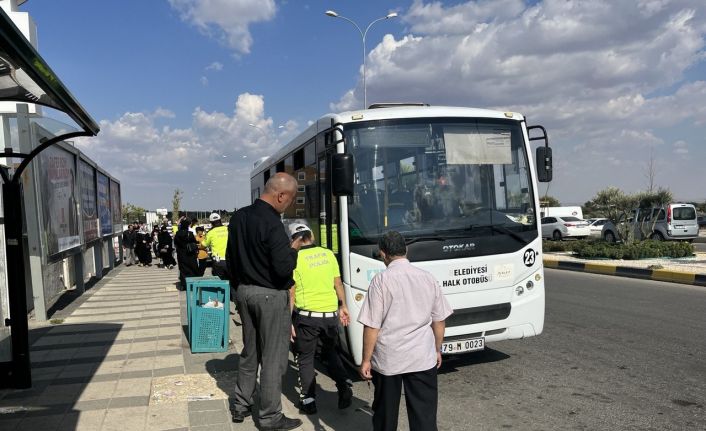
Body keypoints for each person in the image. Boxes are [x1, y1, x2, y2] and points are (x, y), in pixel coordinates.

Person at [226, 172, 304, 431]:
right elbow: (283, 270)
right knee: (273, 358)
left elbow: (231, 258)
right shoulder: (273, 223)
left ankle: (240, 405)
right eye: (289, 200)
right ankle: (271, 417)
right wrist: (293, 251)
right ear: (280, 195)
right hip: (270, 296)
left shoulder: (239, 217)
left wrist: (239, 289)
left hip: (245, 292)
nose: (288, 206)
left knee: (251, 352)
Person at [358, 230, 453, 431]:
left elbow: (372, 325)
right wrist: (437, 349)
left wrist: (366, 360)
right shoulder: (427, 278)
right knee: (424, 416)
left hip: (388, 360)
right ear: (406, 250)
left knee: (385, 415)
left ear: (383, 254)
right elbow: (439, 320)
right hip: (422, 357)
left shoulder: (381, 281)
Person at [288, 223, 352, 415]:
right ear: (312, 236)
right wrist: (343, 306)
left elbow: (291, 293)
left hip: (307, 318)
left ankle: (308, 401)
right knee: (330, 352)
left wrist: (288, 320)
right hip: (330, 315)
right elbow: (338, 282)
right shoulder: (328, 254)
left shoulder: (295, 259)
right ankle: (343, 385)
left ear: (294, 240)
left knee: (305, 358)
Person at [174, 217, 199, 289]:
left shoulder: (178, 234)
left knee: (183, 269)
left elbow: (176, 243)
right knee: (192, 268)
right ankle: (192, 284)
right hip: (190, 254)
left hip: (181, 254)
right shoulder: (190, 234)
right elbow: (194, 242)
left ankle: (184, 285)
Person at [203, 212, 229, 279]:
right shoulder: (228, 229)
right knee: (232, 283)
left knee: (219, 283)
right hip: (230, 260)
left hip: (218, 262)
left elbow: (204, 245)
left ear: (211, 223)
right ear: (220, 220)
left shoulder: (210, 233)